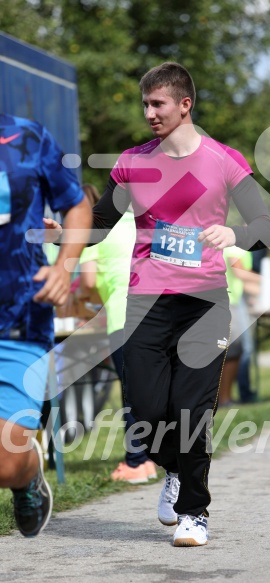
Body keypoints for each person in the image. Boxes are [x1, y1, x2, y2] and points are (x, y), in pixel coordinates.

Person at [91, 62, 270, 546]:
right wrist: (60, 232)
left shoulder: (223, 160)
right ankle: (172, 470)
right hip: (146, 299)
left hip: (204, 301)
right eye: (145, 104)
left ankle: (195, 512)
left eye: (159, 104)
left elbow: (266, 226)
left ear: (184, 104)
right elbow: (98, 222)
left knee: (191, 411)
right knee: (148, 413)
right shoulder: (134, 162)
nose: (149, 113)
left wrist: (235, 232)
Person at [0, 113, 91, 537]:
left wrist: (64, 266)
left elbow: (75, 203)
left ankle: (28, 472)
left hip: (20, 317)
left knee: (6, 461)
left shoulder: (27, 137)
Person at [75, 193, 157, 483]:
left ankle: (136, 462)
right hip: (157, 314)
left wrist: (97, 297)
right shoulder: (143, 222)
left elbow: (86, 283)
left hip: (123, 317)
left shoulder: (93, 232)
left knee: (132, 394)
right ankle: (151, 459)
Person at [219, 246, 260, 406]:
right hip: (227, 302)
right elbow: (239, 272)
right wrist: (268, 279)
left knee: (235, 349)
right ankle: (224, 399)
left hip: (234, 301)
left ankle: (226, 398)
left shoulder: (242, 247)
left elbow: (241, 280)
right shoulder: (235, 245)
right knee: (232, 349)